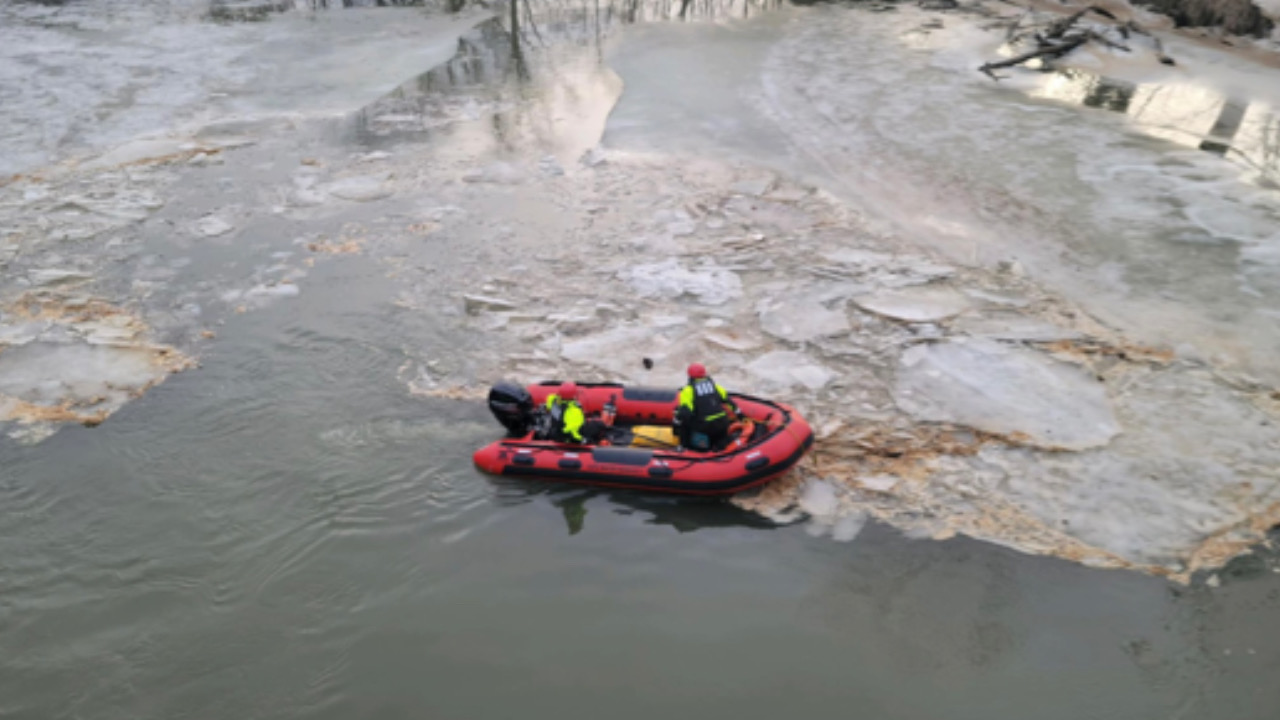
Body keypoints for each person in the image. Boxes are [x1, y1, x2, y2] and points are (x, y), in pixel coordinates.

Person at [674, 363, 739, 452]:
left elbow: (685, 413)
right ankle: (721, 448)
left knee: (684, 425)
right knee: (720, 436)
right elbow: (731, 403)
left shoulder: (688, 390)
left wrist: (676, 422)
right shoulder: (715, 386)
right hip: (722, 424)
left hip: (705, 427)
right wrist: (740, 415)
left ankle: (685, 447)